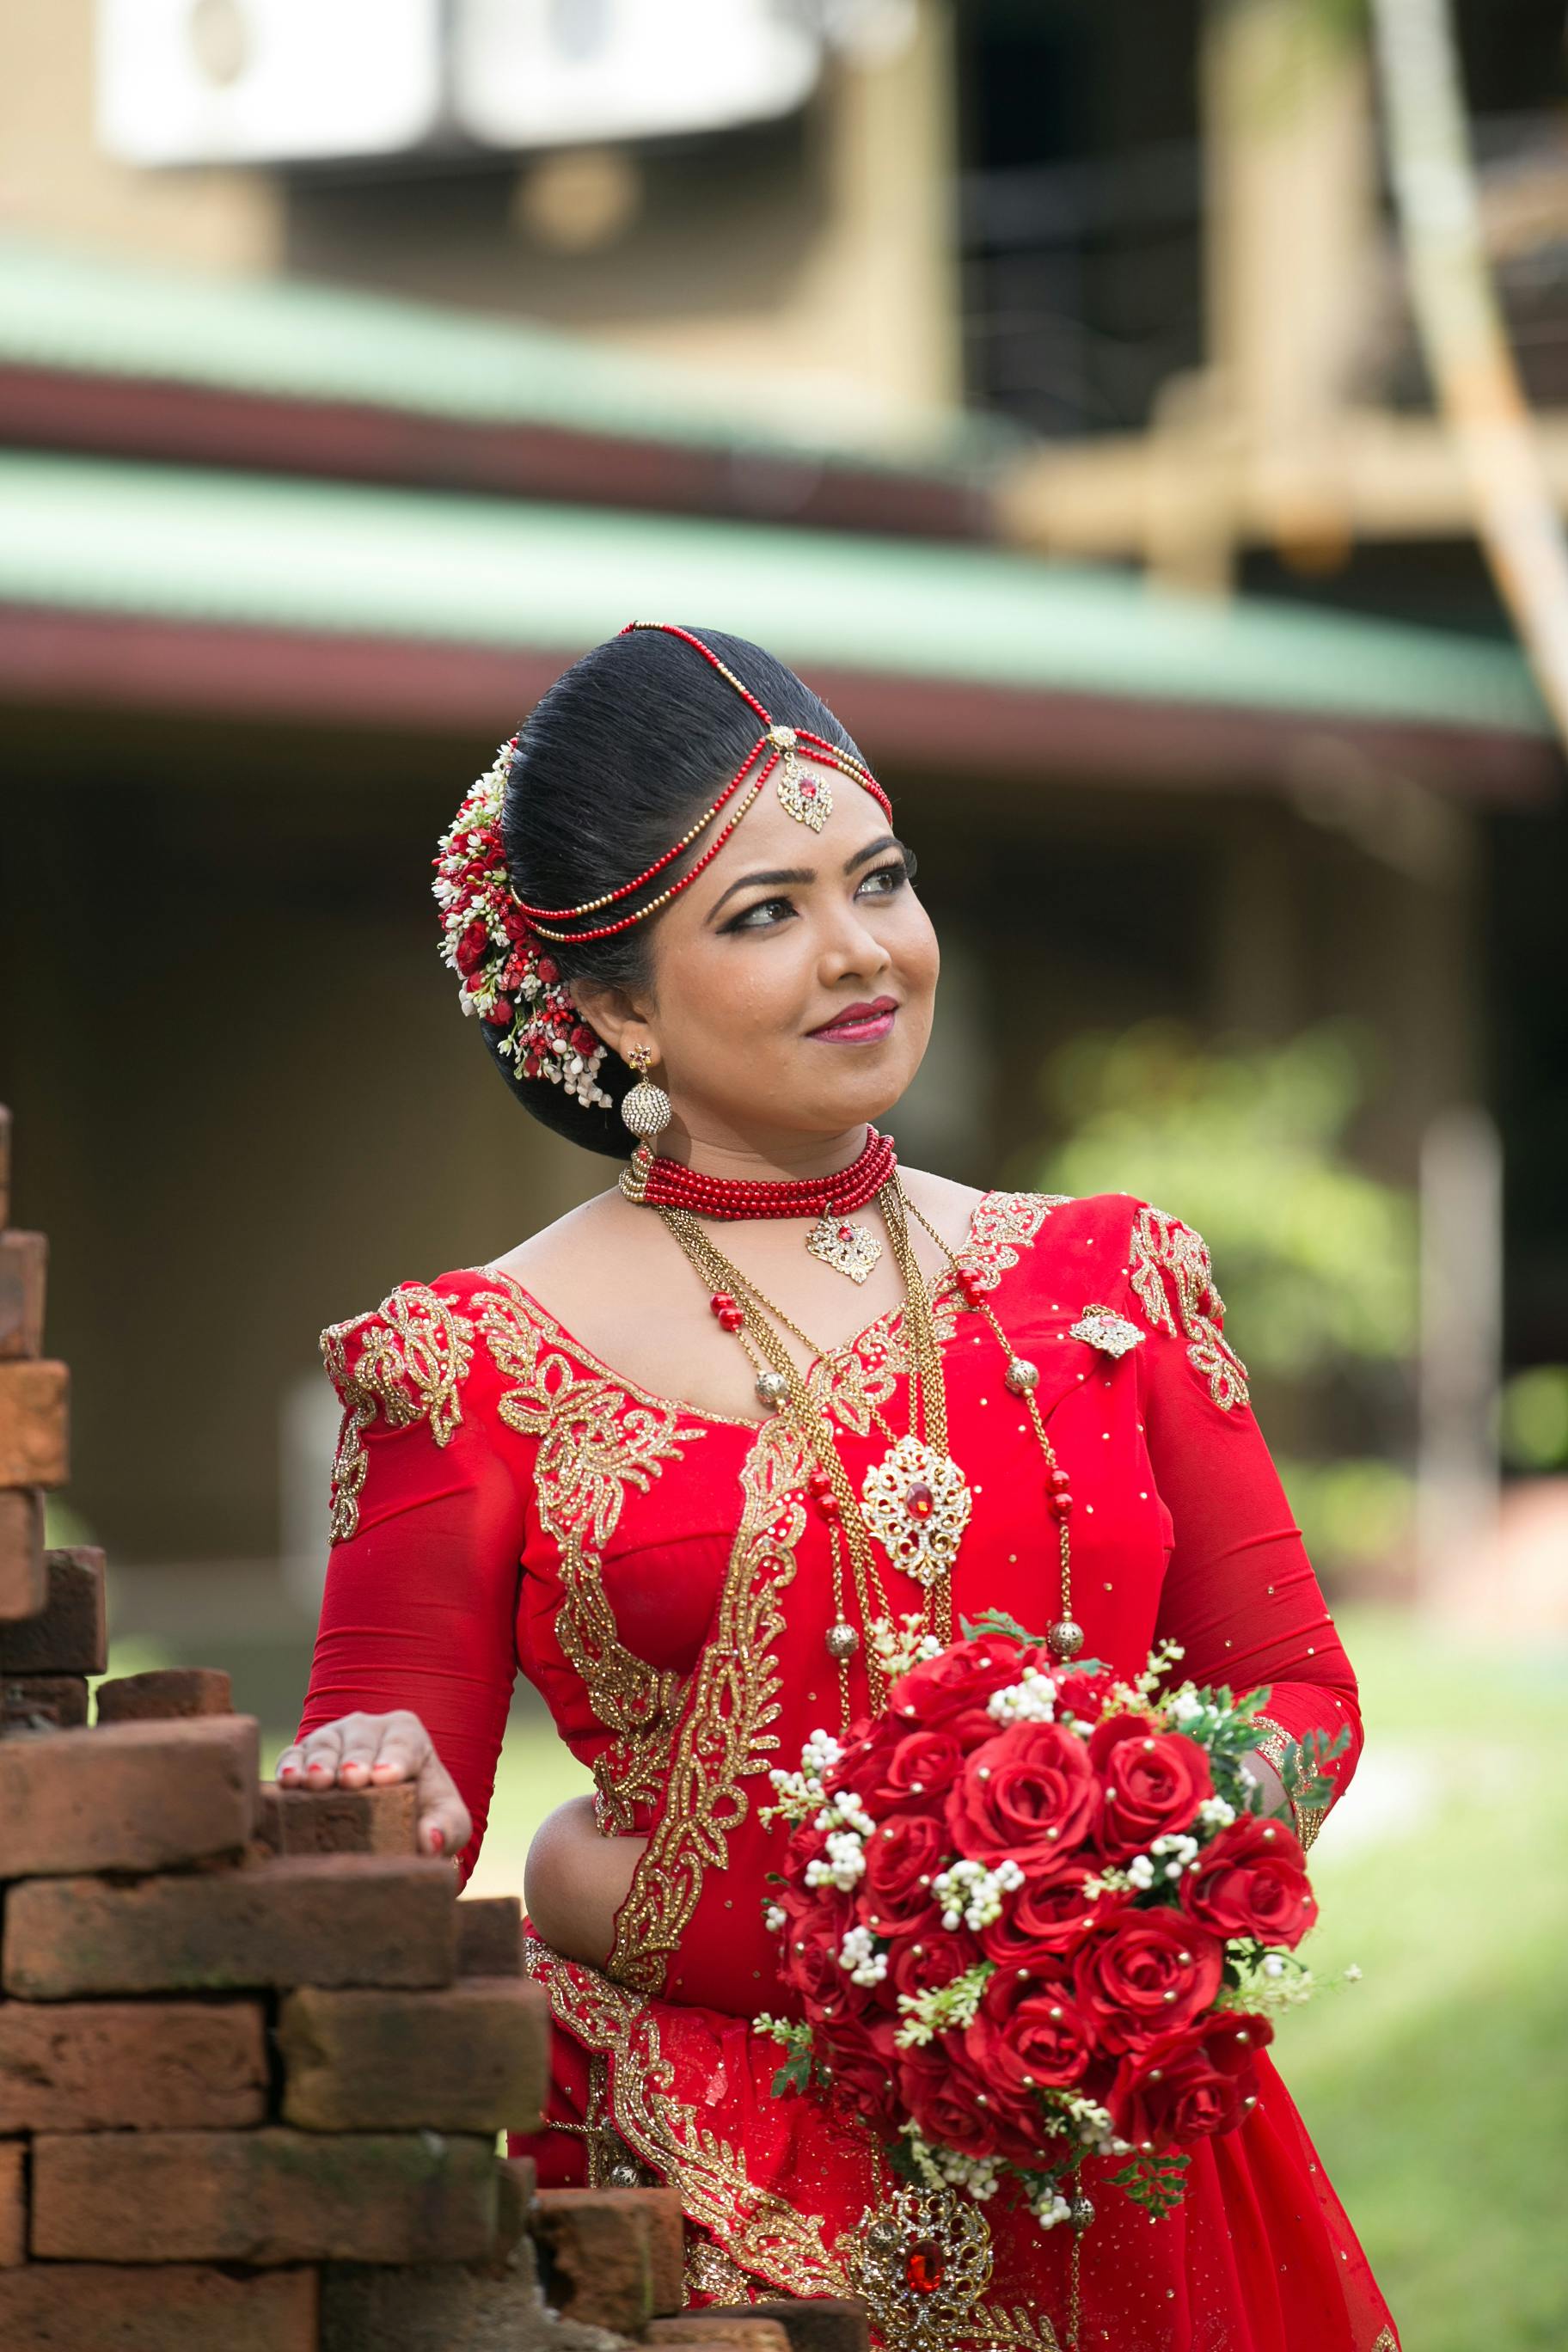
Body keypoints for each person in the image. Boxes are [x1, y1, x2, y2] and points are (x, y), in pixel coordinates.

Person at [281, 624, 1399, 2352]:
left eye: (877, 879)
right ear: (608, 1003)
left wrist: (1111, 1880)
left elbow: (1303, 1695)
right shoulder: (468, 1363)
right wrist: (386, 1780)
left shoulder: (1110, 1287)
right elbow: (383, 1789)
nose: (859, 953)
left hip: (1108, 2147)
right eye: (763, 914)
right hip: (696, 2205)